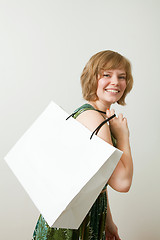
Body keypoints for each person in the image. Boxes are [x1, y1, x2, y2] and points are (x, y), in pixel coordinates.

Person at [32, 50, 133, 240]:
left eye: (122, 77)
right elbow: (122, 183)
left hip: (82, 214)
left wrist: (109, 223)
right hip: (75, 221)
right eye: (106, 75)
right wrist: (124, 136)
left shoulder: (94, 115)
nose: (115, 82)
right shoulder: (95, 120)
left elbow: (97, 180)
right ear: (92, 78)